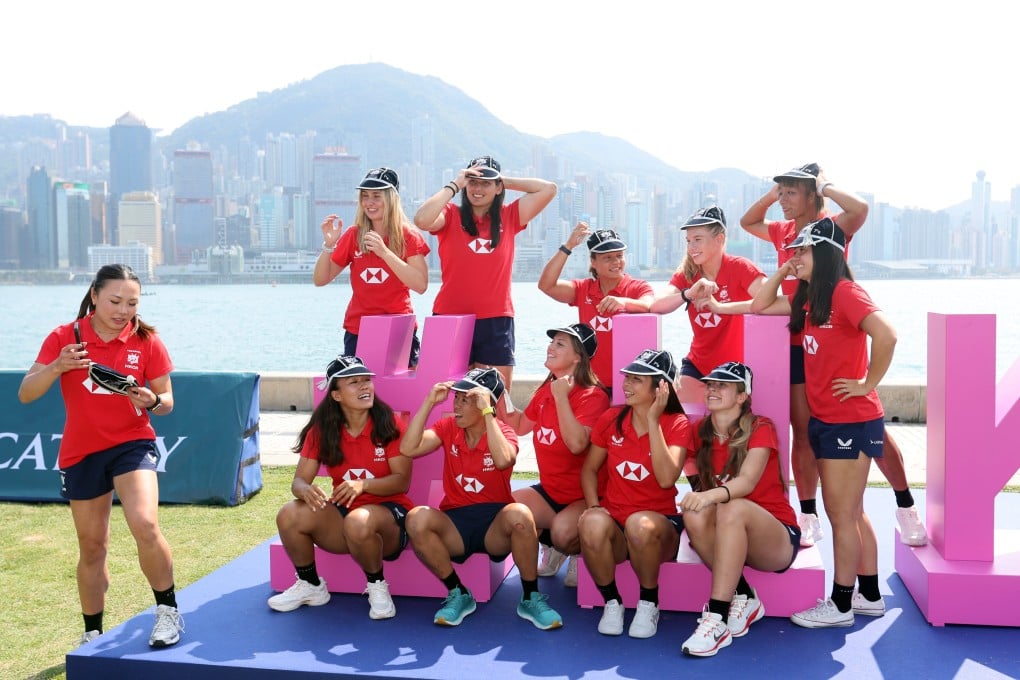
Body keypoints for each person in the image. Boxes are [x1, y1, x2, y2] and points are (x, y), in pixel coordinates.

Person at [740, 163, 926, 548]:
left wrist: (823, 183)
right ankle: (808, 514)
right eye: (782, 193)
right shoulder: (780, 231)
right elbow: (747, 221)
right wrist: (776, 192)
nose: (784, 201)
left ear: (812, 196)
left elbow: (860, 209)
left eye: (792, 193)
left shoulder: (830, 227)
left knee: (870, 427)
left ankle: (905, 503)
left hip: (835, 339)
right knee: (803, 433)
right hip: (796, 342)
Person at [17, 264, 183, 648]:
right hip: (81, 452)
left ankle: (168, 611)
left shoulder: (148, 341)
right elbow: (26, 393)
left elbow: (167, 402)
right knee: (92, 546)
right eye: (115, 301)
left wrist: (152, 400)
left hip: (132, 443)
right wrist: (59, 366)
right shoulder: (64, 337)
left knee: (144, 523)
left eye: (132, 303)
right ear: (94, 295)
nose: (123, 310)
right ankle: (92, 631)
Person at [751, 218, 892, 627]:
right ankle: (868, 594)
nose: (794, 257)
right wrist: (783, 271)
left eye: (802, 251)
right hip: (828, 421)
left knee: (841, 516)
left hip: (850, 422)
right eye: (792, 251)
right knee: (854, 512)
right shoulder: (811, 298)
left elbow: (887, 335)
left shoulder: (847, 292)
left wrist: (867, 383)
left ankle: (841, 605)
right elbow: (760, 305)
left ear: (827, 253)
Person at [400, 367, 563, 630]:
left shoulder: (503, 431)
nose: (458, 405)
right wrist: (430, 402)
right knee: (416, 518)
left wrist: (488, 412)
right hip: (456, 523)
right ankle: (458, 592)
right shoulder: (447, 426)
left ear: (486, 403)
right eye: (458, 398)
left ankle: (531, 597)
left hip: (494, 525)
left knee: (521, 514)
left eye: (468, 399)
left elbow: (503, 460)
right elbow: (408, 448)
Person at [268, 355, 412, 620]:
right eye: (354, 382)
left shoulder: (388, 423)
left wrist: (363, 484)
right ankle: (311, 585)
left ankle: (377, 586)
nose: (364, 386)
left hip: (390, 519)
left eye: (366, 380)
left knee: (358, 520)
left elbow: (402, 480)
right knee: (289, 513)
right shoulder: (322, 430)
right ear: (336, 395)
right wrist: (305, 491)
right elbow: (299, 481)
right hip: (343, 517)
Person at [677, 362, 800, 657]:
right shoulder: (699, 431)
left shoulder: (761, 427)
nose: (713, 389)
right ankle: (744, 594)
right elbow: (685, 465)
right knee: (694, 513)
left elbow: (746, 482)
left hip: (775, 539)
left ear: (742, 396)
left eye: (723, 385)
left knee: (732, 507)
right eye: (710, 384)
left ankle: (717, 618)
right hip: (729, 531)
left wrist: (709, 496)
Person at [413, 156, 557, 394]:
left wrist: (502, 180)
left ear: (497, 187)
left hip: (496, 319)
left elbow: (548, 189)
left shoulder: (510, 216)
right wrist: (456, 184)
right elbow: (422, 219)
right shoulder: (450, 214)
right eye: (473, 182)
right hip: (450, 317)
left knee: (496, 397)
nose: (478, 188)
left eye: (486, 183)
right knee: (445, 397)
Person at [577, 349, 689, 639]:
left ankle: (649, 602)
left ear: (660, 387)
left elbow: (666, 479)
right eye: (627, 377)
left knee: (639, 524)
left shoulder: (676, 423)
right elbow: (589, 470)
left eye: (637, 379)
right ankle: (612, 602)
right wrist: (593, 506)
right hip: (617, 522)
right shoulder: (612, 418)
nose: (626, 384)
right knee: (590, 521)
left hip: (658, 527)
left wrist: (653, 420)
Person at [503, 323, 610, 587]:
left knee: (564, 532)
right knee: (506, 513)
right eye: (553, 342)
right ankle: (552, 545)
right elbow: (519, 425)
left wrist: (562, 398)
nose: (551, 347)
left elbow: (576, 444)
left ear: (578, 357)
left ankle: (575, 549)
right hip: (551, 492)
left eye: (560, 344)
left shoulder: (593, 396)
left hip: (586, 497)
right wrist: (498, 393)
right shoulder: (545, 392)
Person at [649, 206, 766, 406]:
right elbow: (655, 306)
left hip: (734, 370)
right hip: (697, 367)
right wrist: (688, 294)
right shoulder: (687, 274)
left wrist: (720, 307)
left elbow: (768, 300)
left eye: (698, 239)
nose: (691, 247)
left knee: (727, 429)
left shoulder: (740, 268)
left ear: (720, 239)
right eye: (688, 241)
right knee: (680, 419)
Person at [315, 167, 430, 366]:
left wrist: (384, 252)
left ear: (391, 199)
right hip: (358, 328)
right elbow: (320, 279)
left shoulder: (409, 236)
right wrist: (329, 245)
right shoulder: (353, 235)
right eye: (365, 196)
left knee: (397, 393)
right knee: (360, 390)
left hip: (398, 328)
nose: (369, 202)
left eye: (377, 196)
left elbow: (420, 285)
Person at [537, 223, 654, 389]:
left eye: (619, 256)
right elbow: (546, 285)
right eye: (608, 258)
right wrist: (569, 246)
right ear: (593, 262)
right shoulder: (583, 289)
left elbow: (649, 306)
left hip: (626, 386)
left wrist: (623, 302)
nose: (616, 262)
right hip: (590, 384)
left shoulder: (637, 287)